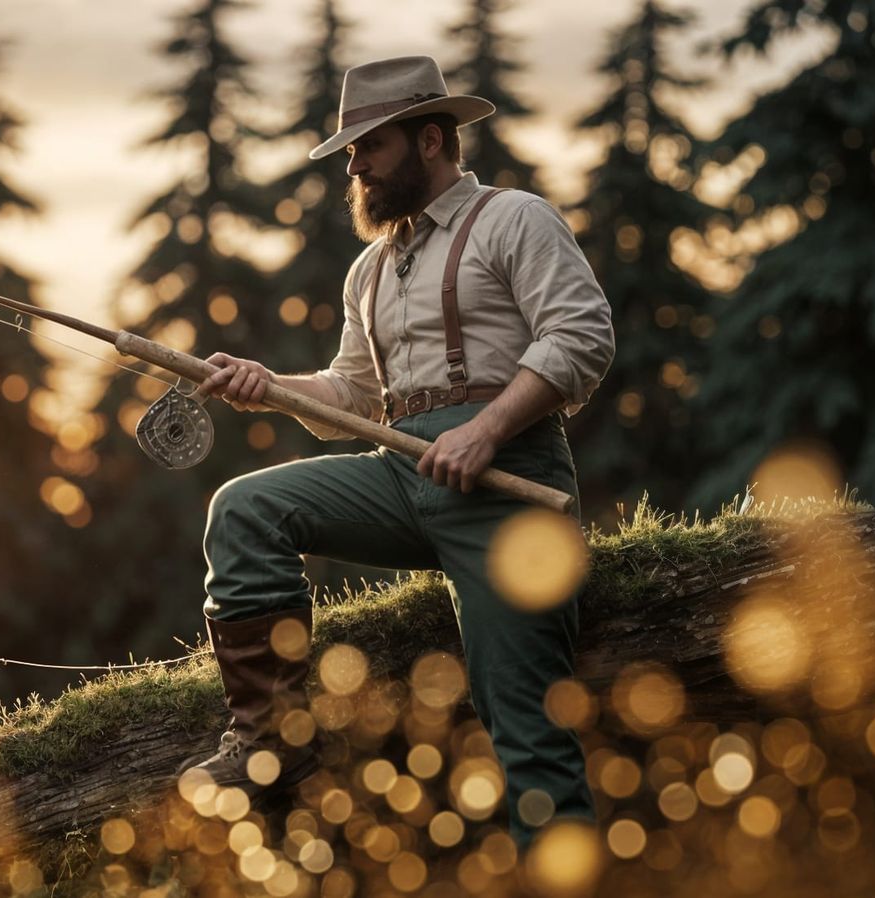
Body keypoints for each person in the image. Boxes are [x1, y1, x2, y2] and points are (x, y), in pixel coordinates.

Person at [183, 55, 615, 847]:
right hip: (399, 476)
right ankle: (271, 741)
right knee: (244, 509)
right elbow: (349, 395)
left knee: (528, 734)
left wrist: (485, 429)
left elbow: (582, 336)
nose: (353, 166)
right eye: (348, 152)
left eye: (367, 147)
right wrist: (263, 382)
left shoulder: (517, 218)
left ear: (429, 140)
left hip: (509, 487)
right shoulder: (369, 270)